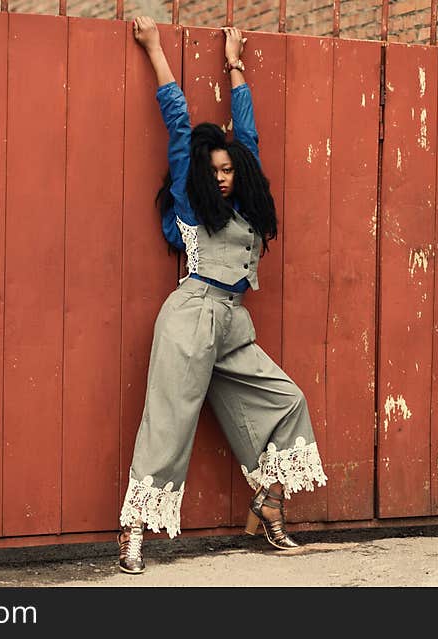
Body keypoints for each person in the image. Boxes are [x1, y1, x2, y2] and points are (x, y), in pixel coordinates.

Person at [118, 16, 328, 574]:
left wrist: (235, 65)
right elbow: (179, 124)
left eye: (230, 169)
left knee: (288, 401)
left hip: (232, 322)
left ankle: (268, 501)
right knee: (168, 424)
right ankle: (134, 532)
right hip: (190, 318)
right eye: (215, 170)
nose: (223, 176)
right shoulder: (192, 203)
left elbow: (249, 136)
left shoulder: (246, 200)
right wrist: (155, 48)